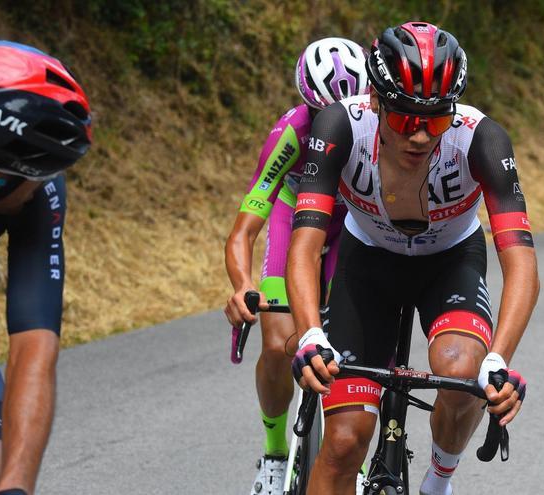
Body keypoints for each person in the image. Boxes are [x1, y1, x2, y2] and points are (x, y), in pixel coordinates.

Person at [286, 21, 537, 495]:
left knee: (463, 371)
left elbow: (522, 263)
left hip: (449, 261)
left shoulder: (482, 139)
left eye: (436, 119)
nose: (420, 136)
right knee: (342, 443)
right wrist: (310, 334)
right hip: (367, 264)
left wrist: (499, 359)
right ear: (376, 101)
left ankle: (438, 481)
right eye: (404, 118)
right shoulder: (341, 125)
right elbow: (305, 245)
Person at [222, 37, 367, 495]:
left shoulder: (377, 127)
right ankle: (273, 451)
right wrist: (244, 284)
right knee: (276, 344)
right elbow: (244, 230)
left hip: (348, 223)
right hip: (292, 213)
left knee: (353, 347)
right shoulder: (289, 133)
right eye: (324, 117)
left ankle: (352, 458)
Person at [0, 40, 93, 495]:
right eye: (37, 171)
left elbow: (34, 344)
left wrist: (15, 489)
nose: (42, 185)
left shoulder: (41, 190)